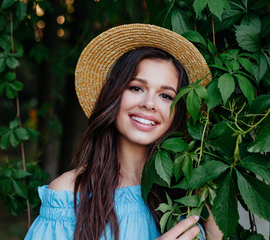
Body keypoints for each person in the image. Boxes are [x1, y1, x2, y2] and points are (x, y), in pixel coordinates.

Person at [24, 24, 223, 240]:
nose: (149, 104)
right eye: (136, 88)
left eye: (166, 96)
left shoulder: (187, 188)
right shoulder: (69, 195)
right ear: (114, 95)